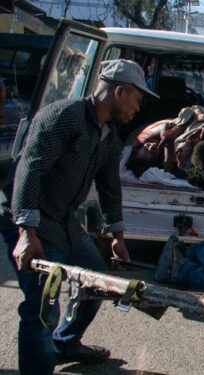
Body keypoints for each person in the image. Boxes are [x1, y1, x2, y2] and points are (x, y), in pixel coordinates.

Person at [0, 59, 159, 373]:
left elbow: (109, 187)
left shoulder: (109, 136)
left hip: (64, 221)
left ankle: (65, 344)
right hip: (30, 220)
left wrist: (117, 238)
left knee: (98, 281)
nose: (138, 107)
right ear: (119, 91)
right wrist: (27, 234)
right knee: (42, 307)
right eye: (137, 99)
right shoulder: (63, 117)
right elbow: (29, 171)